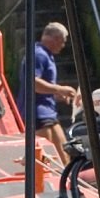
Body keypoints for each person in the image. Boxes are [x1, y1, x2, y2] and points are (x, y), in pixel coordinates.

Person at [28, 23, 78, 161]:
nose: (63, 46)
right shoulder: (38, 54)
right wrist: (60, 89)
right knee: (46, 159)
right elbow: (32, 82)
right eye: (63, 42)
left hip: (48, 112)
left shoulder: (46, 55)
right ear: (55, 38)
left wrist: (57, 96)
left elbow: (41, 89)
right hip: (38, 114)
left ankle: (66, 181)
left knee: (64, 155)